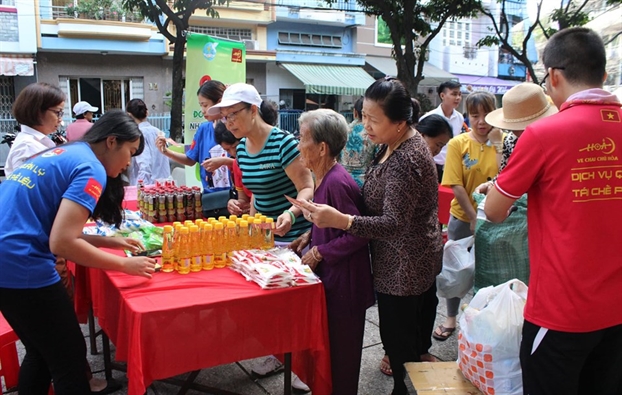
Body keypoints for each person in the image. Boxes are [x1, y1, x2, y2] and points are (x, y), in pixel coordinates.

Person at [485, 27, 622, 394]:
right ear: (604, 75)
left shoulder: (544, 134)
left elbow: (495, 211)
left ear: (554, 76)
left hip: (562, 314)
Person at [295, 77, 443, 395]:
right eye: (364, 116)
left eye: (373, 119)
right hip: (398, 259)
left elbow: (393, 224)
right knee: (398, 341)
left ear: (400, 122)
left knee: (400, 346)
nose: (365, 126)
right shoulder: (391, 144)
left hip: (404, 267)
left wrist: (344, 221)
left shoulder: (407, 160)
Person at [0, 110, 157, 394]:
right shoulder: (90, 166)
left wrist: (112, 242)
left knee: (41, 351)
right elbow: (61, 243)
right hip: (21, 262)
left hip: (7, 259)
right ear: (112, 142)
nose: (127, 164)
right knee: (69, 357)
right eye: (130, 152)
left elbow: (55, 230)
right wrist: (125, 266)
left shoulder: (66, 152)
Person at [288, 109, 374, 394]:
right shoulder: (324, 177)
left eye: (302, 138)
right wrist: (308, 235)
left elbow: (359, 234)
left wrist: (319, 252)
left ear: (322, 148)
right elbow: (331, 224)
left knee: (343, 360)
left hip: (345, 285)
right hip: (333, 281)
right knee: (331, 355)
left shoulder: (337, 182)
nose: (297, 144)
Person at [378, 112, 452, 376]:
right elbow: (393, 219)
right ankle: (394, 353)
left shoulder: (419, 159)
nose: (436, 150)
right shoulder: (397, 154)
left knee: (425, 304)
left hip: (425, 249)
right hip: (400, 255)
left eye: (441, 147)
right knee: (399, 315)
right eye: (437, 144)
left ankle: (420, 349)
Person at [207, 83, 314, 243]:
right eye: (224, 117)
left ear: (253, 110)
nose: (228, 123)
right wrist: (248, 223)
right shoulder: (242, 149)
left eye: (233, 114)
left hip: (293, 239)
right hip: (263, 238)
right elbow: (257, 193)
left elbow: (307, 188)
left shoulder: (283, 144)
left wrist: (291, 213)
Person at [434, 91, 499, 342]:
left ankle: (482, 318)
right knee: (456, 270)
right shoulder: (458, 143)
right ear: (467, 117)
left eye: (486, 115)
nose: (481, 121)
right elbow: (456, 185)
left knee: (488, 272)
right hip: (463, 218)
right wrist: (473, 217)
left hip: (494, 220)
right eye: (475, 115)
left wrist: (497, 144)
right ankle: (451, 317)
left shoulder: (501, 141)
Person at [475, 82, 558, 194]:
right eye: (514, 127)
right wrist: (491, 184)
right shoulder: (511, 140)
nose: (518, 132)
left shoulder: (558, 137)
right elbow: (505, 173)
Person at [156, 80, 233, 193]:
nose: (202, 111)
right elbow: (190, 159)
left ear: (219, 102)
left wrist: (224, 161)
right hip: (210, 197)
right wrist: (166, 151)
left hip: (235, 196)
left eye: (205, 105)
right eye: (201, 105)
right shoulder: (203, 129)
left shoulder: (235, 128)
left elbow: (244, 164)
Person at [4, 83, 61, 176]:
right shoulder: (27, 147)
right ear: (37, 112)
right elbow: (25, 186)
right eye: (58, 112)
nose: (60, 119)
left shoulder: (37, 141)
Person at [420, 80, 464, 182]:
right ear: (442, 95)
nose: (458, 98)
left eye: (459, 94)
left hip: (449, 166)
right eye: (454, 94)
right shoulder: (429, 117)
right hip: (430, 163)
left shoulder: (459, 118)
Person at [126, 98, 171, 186]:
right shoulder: (158, 132)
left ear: (129, 115)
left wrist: (141, 189)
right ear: (147, 113)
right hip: (164, 185)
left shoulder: (138, 134)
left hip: (148, 188)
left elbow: (145, 165)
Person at [213, 121, 252, 216]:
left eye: (235, 147)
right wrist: (234, 204)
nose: (233, 153)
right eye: (227, 150)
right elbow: (243, 199)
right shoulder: (236, 164)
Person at [339, 97, 378, 188]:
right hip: (365, 182)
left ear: (355, 112)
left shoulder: (342, 130)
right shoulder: (373, 133)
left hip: (342, 180)